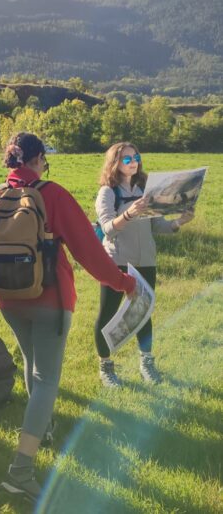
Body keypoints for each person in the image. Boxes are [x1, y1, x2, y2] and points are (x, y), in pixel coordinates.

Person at [0, 133, 136, 502]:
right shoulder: (53, 194)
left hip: (8, 299)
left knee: (32, 363)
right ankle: (21, 472)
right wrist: (123, 283)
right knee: (46, 378)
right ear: (38, 159)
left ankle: (43, 429)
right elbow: (89, 252)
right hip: (50, 298)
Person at [94, 142, 194, 387]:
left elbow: (156, 225)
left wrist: (179, 222)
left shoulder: (146, 189)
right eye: (127, 159)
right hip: (117, 263)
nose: (134, 162)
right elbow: (108, 228)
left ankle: (146, 363)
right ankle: (106, 367)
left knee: (143, 312)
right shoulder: (108, 192)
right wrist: (129, 213)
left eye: (136, 157)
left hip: (146, 262)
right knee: (108, 314)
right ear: (115, 163)